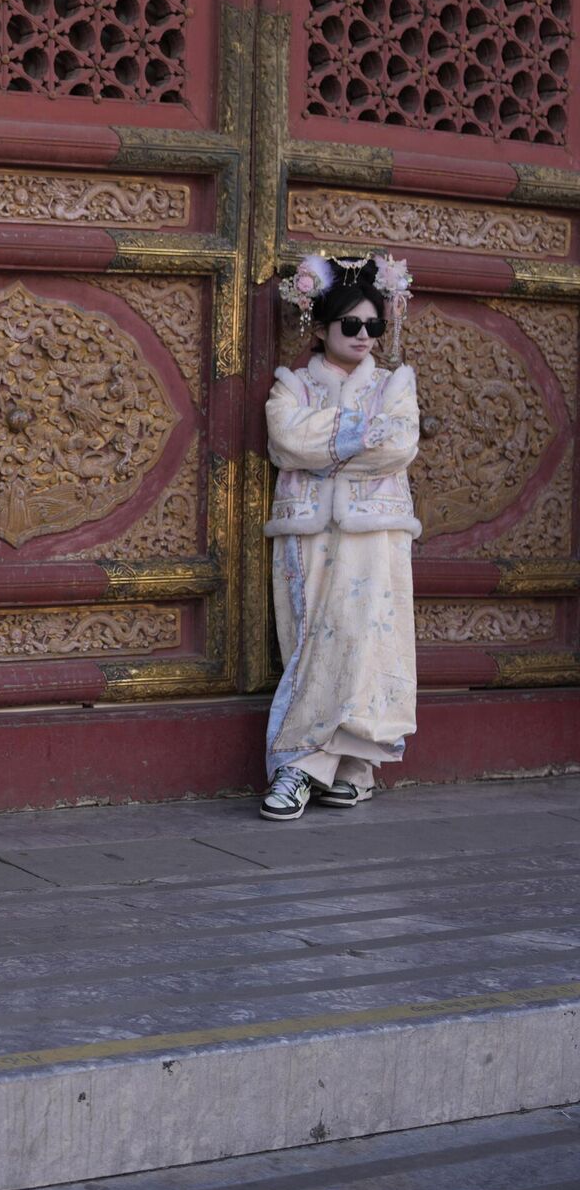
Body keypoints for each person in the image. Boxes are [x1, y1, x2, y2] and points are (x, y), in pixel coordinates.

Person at [261, 252, 420, 821]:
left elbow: (399, 444)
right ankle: (310, 763)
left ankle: (339, 768)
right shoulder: (293, 386)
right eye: (350, 325)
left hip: (375, 533)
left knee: (368, 642)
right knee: (313, 643)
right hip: (308, 531)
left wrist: (322, 449)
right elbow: (286, 441)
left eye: (373, 326)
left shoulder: (396, 384)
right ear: (322, 328)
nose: (363, 336)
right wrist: (360, 437)